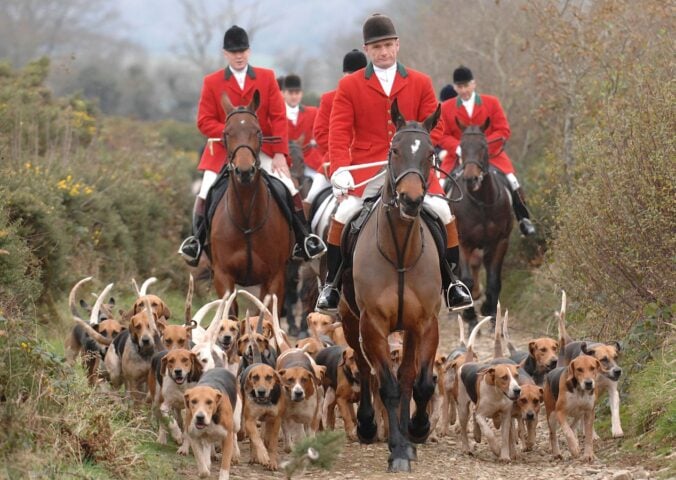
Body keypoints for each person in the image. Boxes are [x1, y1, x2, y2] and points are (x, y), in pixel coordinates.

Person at [315, 13, 472, 313]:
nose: (383, 52)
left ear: (398, 45)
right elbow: (338, 131)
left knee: (442, 210)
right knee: (343, 213)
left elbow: (435, 125)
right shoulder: (349, 86)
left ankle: (453, 283)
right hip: (367, 168)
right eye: (377, 47)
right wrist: (340, 169)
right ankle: (331, 286)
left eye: (388, 45)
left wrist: (413, 142)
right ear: (367, 51)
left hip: (412, 166)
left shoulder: (420, 81)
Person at [178, 25, 326, 266]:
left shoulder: (266, 77)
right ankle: (196, 242)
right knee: (205, 191)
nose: (239, 55)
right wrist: (234, 134)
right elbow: (203, 121)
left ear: (249, 51)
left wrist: (280, 153)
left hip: (263, 150)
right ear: (225, 53)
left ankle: (303, 239)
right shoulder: (212, 81)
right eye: (234, 51)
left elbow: (278, 117)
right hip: (221, 152)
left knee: (290, 188)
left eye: (243, 51)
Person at [438, 65, 536, 236]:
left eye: (466, 86)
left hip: (491, 155)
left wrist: (481, 148)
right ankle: (440, 230)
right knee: (439, 189)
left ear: (473, 84)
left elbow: (503, 130)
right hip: (457, 157)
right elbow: (441, 135)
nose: (463, 90)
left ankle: (523, 219)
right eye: (459, 87)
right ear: (455, 88)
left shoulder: (491, 102)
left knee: (513, 182)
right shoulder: (446, 107)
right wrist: (459, 148)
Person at [309, 49, 368, 207]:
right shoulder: (329, 99)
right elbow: (320, 132)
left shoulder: (374, 97)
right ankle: (305, 231)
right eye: (349, 76)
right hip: (334, 161)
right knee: (311, 197)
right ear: (343, 76)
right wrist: (341, 151)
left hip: (367, 160)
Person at [281, 74, 323, 202]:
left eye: (297, 92)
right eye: (290, 92)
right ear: (283, 93)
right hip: (286, 162)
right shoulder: (278, 114)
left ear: (301, 94)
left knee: (321, 188)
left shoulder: (313, 112)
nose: (294, 96)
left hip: (310, 160)